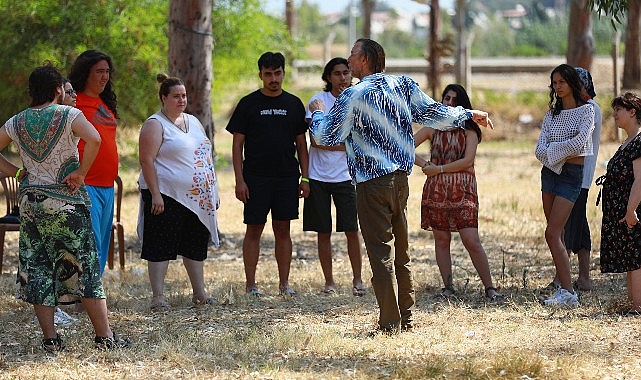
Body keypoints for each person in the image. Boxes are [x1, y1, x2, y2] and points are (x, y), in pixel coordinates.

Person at [309, 38, 493, 334]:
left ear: (365, 60)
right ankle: (406, 317)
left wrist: (317, 111)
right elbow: (434, 113)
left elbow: (325, 137)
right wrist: (468, 114)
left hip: (371, 184)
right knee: (402, 253)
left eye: (352, 55)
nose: (348, 59)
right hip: (400, 182)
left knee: (381, 255)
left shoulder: (353, 94)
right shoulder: (403, 85)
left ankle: (390, 323)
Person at [0, 63, 130, 351]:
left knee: (39, 267)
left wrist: (17, 172)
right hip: (66, 202)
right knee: (84, 267)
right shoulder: (69, 114)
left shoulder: (17, 121)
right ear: (58, 89)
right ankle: (105, 337)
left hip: (32, 204)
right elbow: (94, 138)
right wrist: (81, 172)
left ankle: (50, 338)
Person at [226, 52, 309, 297]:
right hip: (255, 179)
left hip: (286, 178)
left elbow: (302, 147)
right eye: (268, 74)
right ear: (260, 75)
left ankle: (284, 285)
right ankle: (250, 285)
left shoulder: (294, 104)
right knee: (254, 229)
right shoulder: (248, 104)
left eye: (277, 73)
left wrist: (305, 178)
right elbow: (236, 146)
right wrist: (239, 181)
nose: (273, 78)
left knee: (283, 230)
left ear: (284, 73)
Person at [414, 84, 503, 302]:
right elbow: (405, 146)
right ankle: (448, 287)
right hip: (437, 190)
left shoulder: (469, 129)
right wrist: (425, 164)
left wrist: (439, 169)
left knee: (471, 239)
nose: (450, 103)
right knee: (441, 240)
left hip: (463, 189)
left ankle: (490, 288)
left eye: (455, 100)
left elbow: (467, 161)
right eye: (447, 98)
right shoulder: (432, 127)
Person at [138, 74, 220, 311]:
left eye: (183, 96)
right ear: (164, 98)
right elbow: (146, 160)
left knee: (194, 245)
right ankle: (158, 296)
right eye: (176, 96)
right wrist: (155, 194)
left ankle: (199, 293)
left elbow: (205, 157)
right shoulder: (155, 124)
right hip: (166, 195)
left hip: (196, 197)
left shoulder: (193, 122)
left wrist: (212, 192)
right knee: (160, 245)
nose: (181, 100)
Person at [535, 63, 595, 307]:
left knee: (552, 232)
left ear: (571, 83)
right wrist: (557, 153)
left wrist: (553, 151)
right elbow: (539, 150)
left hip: (571, 175)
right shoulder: (552, 114)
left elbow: (581, 143)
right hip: (549, 173)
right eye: (554, 83)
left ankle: (569, 292)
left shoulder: (587, 111)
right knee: (555, 234)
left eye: (561, 82)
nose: (558, 87)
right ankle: (563, 287)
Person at [304, 57, 364, 296]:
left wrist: (335, 142)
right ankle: (329, 281)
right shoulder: (318, 102)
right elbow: (316, 140)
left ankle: (358, 279)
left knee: (352, 230)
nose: (342, 78)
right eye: (337, 73)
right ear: (328, 77)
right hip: (319, 176)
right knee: (323, 231)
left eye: (346, 73)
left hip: (347, 177)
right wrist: (345, 143)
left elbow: (360, 140)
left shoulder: (357, 102)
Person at [68, 50, 119, 275]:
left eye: (107, 71)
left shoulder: (105, 102)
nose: (104, 77)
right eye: (99, 71)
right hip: (85, 184)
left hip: (108, 186)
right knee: (91, 244)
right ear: (86, 73)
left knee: (102, 244)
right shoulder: (73, 102)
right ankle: (84, 299)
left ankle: (89, 299)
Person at [598, 92, 641, 314]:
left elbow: (640, 181)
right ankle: (633, 305)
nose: (614, 115)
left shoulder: (639, 141)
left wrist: (631, 209)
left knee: (636, 257)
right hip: (622, 210)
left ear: (632, 112)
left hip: (632, 209)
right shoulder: (628, 142)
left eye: (618, 110)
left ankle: (637, 307)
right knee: (631, 257)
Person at [560, 67, 601, 291]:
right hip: (574, 177)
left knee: (566, 228)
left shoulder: (589, 109)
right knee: (579, 226)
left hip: (578, 177)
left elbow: (575, 143)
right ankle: (584, 278)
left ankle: (561, 280)